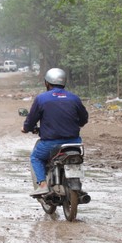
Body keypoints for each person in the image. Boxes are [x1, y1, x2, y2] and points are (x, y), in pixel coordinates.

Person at [22, 68, 89, 196]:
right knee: (76, 161)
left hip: (50, 144)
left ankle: (42, 184)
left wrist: (26, 128)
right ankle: (78, 186)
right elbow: (84, 119)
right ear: (64, 82)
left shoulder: (42, 98)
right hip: (74, 144)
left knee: (35, 157)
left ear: (47, 83)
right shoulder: (74, 98)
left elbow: (31, 120)